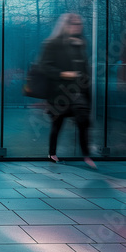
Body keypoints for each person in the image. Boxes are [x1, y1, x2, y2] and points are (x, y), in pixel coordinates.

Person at [39, 13, 96, 169]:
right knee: (57, 123)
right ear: (66, 25)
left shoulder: (80, 44)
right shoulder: (52, 43)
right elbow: (44, 66)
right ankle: (52, 153)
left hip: (78, 92)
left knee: (83, 121)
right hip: (60, 92)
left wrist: (86, 90)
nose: (78, 27)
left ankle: (86, 155)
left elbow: (84, 69)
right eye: (74, 24)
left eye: (79, 24)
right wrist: (64, 74)